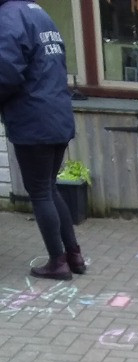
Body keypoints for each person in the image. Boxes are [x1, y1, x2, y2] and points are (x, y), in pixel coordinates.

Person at [0, 0, 86, 280]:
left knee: (39, 191)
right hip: (56, 113)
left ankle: (57, 262)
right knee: (49, 188)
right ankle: (74, 255)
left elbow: (7, 72)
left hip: (33, 117)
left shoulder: (8, 17)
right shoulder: (39, 14)